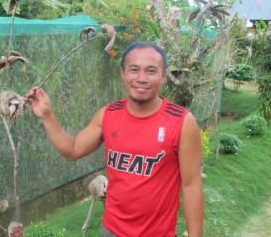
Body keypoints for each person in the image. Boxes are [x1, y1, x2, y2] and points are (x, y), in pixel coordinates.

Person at [26, 41, 204, 237]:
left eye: (151, 71)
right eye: (134, 70)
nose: (141, 78)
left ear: (163, 76)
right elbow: (73, 149)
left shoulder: (181, 121)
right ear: (123, 74)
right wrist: (48, 116)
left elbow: (191, 185)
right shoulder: (108, 115)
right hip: (111, 230)